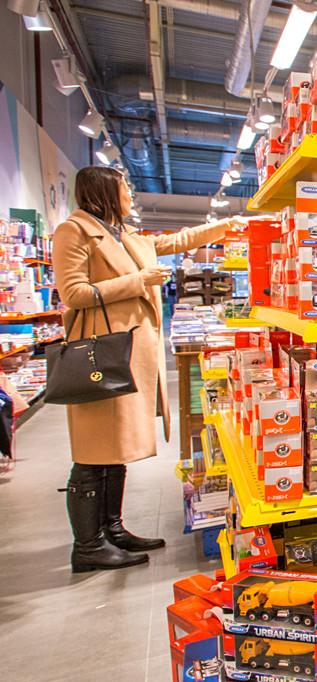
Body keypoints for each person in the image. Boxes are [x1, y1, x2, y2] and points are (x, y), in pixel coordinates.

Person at [52, 166, 245, 572]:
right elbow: (73, 292)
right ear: (104, 191)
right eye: (124, 188)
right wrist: (138, 280)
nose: (130, 195)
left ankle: (113, 529)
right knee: (92, 453)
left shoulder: (123, 234)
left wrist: (227, 225)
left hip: (125, 356)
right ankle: (88, 546)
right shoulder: (75, 231)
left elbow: (175, 241)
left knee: (114, 449)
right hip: (101, 357)